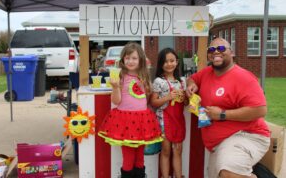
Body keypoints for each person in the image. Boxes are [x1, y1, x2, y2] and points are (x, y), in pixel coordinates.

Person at [185, 38, 270, 178]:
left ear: (232, 52)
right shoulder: (206, 73)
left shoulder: (244, 78)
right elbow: (193, 78)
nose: (216, 52)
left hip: (245, 135)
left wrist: (223, 114)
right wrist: (191, 84)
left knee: (229, 173)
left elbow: (260, 110)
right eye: (211, 50)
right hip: (219, 145)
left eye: (221, 49)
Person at [98, 42, 163, 178]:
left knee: (140, 158)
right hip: (125, 122)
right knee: (128, 158)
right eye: (127, 58)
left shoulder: (144, 76)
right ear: (122, 60)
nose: (130, 61)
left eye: (134, 58)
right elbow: (116, 101)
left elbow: (146, 99)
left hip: (142, 121)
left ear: (140, 60)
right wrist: (115, 87)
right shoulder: (120, 76)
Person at [150, 48, 187, 178]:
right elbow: (153, 102)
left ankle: (178, 176)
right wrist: (168, 97)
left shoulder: (182, 82)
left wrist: (187, 97)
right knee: (165, 152)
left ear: (177, 62)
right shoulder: (158, 81)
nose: (169, 64)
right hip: (164, 120)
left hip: (178, 120)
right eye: (166, 61)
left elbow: (186, 103)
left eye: (172, 61)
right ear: (161, 64)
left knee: (178, 151)